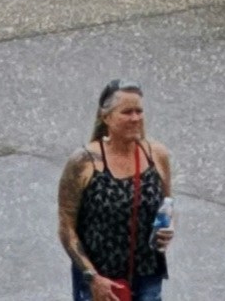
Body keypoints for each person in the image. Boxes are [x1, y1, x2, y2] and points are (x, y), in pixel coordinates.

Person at [57, 80, 174, 301]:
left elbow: (167, 204)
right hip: (100, 279)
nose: (135, 118)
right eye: (127, 112)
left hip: (147, 274)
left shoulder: (156, 154)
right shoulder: (84, 161)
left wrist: (168, 229)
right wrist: (92, 277)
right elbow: (66, 228)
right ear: (106, 117)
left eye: (139, 111)